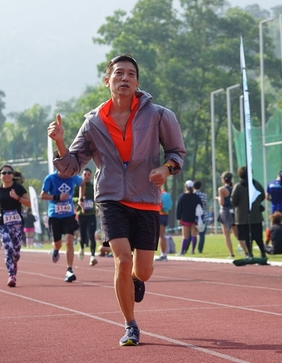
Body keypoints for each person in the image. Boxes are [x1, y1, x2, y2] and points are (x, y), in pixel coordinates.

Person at [47, 54, 185, 346]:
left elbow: (176, 153)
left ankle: (136, 279)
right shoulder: (94, 122)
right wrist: (59, 142)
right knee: (122, 260)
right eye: (119, 73)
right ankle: (130, 325)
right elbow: (71, 167)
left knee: (143, 271)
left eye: (131, 74)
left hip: (146, 199)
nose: (125, 78)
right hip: (110, 198)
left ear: (137, 82)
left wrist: (165, 169)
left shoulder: (159, 116)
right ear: (106, 80)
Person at [0, 165, 31, 287]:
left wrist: (17, 198)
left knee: (16, 252)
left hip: (17, 224)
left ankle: (14, 261)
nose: (7, 175)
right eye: (4, 173)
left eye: (9, 173)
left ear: (13, 175)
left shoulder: (18, 188)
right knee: (8, 247)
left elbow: (29, 203)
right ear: (0, 176)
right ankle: (11, 275)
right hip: (3, 224)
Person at [41, 170, 82, 282]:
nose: (67, 174)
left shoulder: (73, 177)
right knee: (58, 244)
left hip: (69, 215)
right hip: (55, 216)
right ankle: (55, 249)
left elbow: (82, 183)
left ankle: (69, 270)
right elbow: (43, 195)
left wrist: (81, 198)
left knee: (69, 241)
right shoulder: (50, 178)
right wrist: (57, 197)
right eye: (64, 171)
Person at [231, 166, 266, 259]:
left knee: (247, 237)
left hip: (242, 216)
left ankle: (250, 253)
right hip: (256, 215)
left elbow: (233, 201)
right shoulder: (256, 184)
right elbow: (262, 196)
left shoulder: (238, 186)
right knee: (258, 236)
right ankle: (263, 253)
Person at [75, 167, 98, 266]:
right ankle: (82, 247)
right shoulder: (78, 187)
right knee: (83, 235)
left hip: (91, 214)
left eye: (89, 175)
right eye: (85, 174)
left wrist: (97, 206)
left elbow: (97, 197)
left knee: (91, 235)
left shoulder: (93, 187)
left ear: (91, 176)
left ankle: (92, 256)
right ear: (82, 175)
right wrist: (78, 200)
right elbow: (72, 197)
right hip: (81, 215)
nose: (87, 176)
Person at [177, 180, 202, 255]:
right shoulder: (196, 197)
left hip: (185, 218)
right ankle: (193, 251)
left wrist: (179, 218)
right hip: (194, 218)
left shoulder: (182, 196)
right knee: (194, 235)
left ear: (186, 187)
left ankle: (182, 251)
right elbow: (200, 206)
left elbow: (179, 208)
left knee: (185, 236)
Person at [218, 172, 236, 258]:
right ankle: (246, 251)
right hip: (233, 211)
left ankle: (231, 253)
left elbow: (222, 202)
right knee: (237, 234)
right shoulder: (235, 187)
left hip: (225, 212)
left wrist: (219, 199)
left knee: (226, 234)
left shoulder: (221, 189)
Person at [155, 186, 172, 261]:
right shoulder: (165, 193)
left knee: (161, 236)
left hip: (160, 215)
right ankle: (163, 253)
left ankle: (163, 254)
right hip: (165, 215)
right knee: (162, 235)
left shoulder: (157, 193)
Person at [193, 181, 208, 254]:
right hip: (203, 215)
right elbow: (205, 205)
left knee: (192, 234)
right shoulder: (204, 195)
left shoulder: (192, 195)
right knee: (202, 234)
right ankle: (200, 249)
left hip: (194, 216)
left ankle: (190, 248)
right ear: (200, 186)